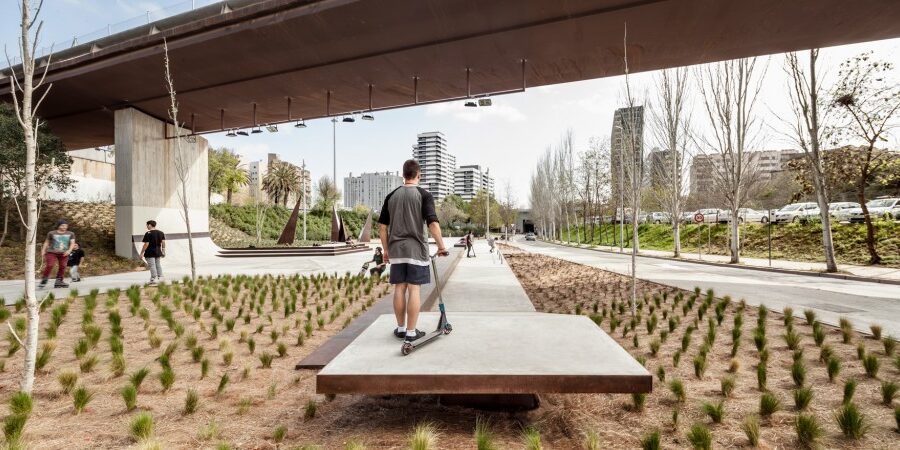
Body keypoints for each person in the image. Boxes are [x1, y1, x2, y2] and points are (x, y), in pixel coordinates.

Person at [379, 159, 449, 343]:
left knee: (399, 288)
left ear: (403, 175)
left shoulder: (391, 196)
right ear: (418, 175)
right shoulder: (424, 195)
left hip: (396, 250)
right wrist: (441, 246)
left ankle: (401, 328)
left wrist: (386, 250)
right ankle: (411, 332)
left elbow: (382, 227)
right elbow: (432, 223)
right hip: (416, 250)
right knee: (414, 288)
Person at [40, 219, 76, 288]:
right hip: (52, 252)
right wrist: (43, 250)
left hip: (64, 253)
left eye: (66, 226)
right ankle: (44, 279)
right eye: (62, 225)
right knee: (50, 265)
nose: (64, 227)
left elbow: (72, 243)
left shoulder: (71, 234)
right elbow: (47, 242)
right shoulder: (51, 233)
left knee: (63, 266)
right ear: (58, 226)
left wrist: (69, 250)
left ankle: (59, 281)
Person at [139, 220, 166, 286]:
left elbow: (146, 244)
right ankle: (160, 277)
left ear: (150, 225)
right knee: (157, 264)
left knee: (152, 266)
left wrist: (141, 252)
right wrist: (163, 250)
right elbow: (163, 242)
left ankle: (153, 279)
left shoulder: (148, 233)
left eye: (147, 225)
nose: (147, 227)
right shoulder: (161, 233)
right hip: (158, 252)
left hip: (150, 252)